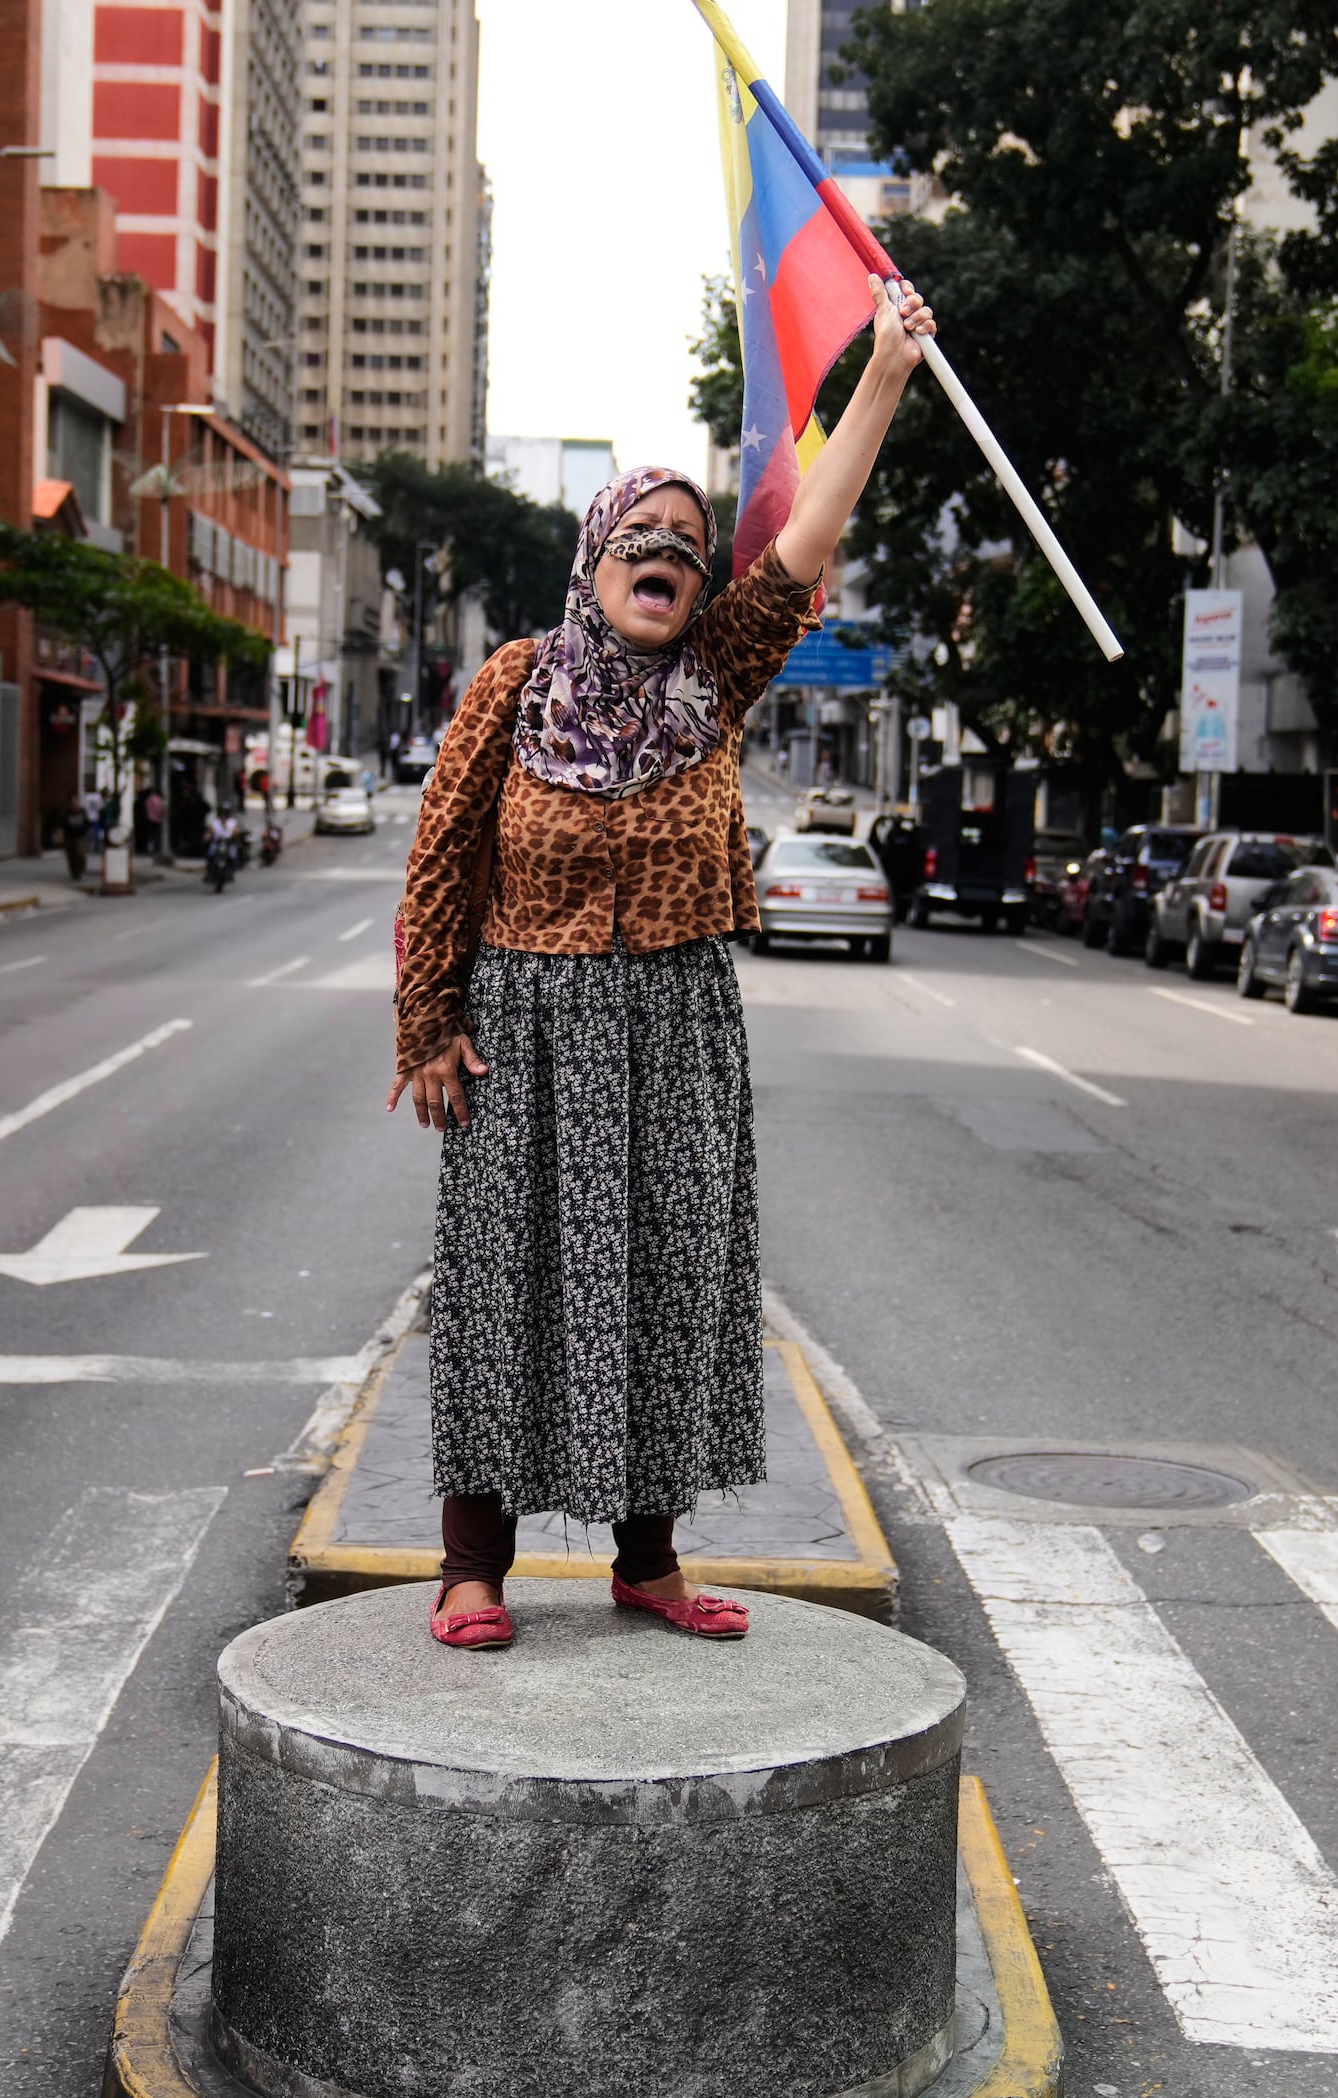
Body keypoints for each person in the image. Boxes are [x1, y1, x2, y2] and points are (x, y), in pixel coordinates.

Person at [389, 280, 936, 1651]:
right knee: (504, 1282)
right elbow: (441, 863)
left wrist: (882, 373)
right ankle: (473, 1565)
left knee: (672, 1281)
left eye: (689, 544)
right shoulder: (514, 685)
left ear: (704, 586)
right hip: (523, 1018)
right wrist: (425, 1029)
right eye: (640, 535)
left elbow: (808, 539)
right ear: (593, 559)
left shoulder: (719, 678)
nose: (667, 552)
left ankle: (650, 1559)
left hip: (679, 1024)